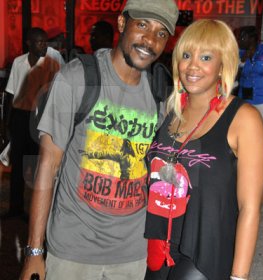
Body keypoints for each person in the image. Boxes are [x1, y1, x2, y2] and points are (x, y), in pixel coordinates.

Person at [20, 0, 179, 279]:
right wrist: (34, 251)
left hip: (132, 254)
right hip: (72, 251)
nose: (150, 40)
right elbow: (48, 165)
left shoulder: (160, 92)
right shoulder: (78, 78)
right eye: (142, 25)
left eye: (161, 33)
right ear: (121, 23)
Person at [144, 19, 263, 280]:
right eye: (187, 55)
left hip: (205, 254)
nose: (192, 66)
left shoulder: (243, 119)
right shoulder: (172, 112)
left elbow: (249, 208)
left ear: (223, 64)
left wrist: (239, 277)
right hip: (161, 245)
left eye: (206, 57)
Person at [3, 27, 64, 219]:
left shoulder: (52, 65)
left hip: (39, 119)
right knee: (18, 165)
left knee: (38, 166)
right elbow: (10, 94)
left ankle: (36, 211)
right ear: (29, 43)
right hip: (20, 117)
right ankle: (15, 208)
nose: (44, 45)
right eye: (39, 42)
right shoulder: (18, 62)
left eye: (45, 42)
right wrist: (5, 124)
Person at [237, 25, 263, 188]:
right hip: (244, 100)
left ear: (252, 38)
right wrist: (243, 60)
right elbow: (232, 74)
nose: (240, 40)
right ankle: (244, 173)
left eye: (243, 37)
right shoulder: (239, 53)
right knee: (243, 137)